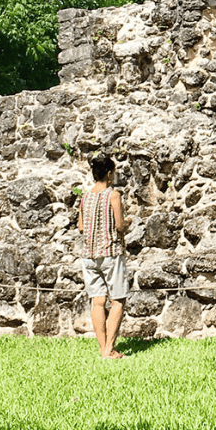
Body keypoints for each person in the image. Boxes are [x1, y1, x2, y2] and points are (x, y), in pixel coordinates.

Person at [78, 153, 129, 359]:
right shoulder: (113, 195)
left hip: (89, 255)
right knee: (117, 300)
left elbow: (81, 227)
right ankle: (109, 349)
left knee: (97, 301)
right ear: (109, 173)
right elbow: (119, 225)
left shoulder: (85, 196)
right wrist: (129, 222)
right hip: (111, 253)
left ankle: (102, 349)